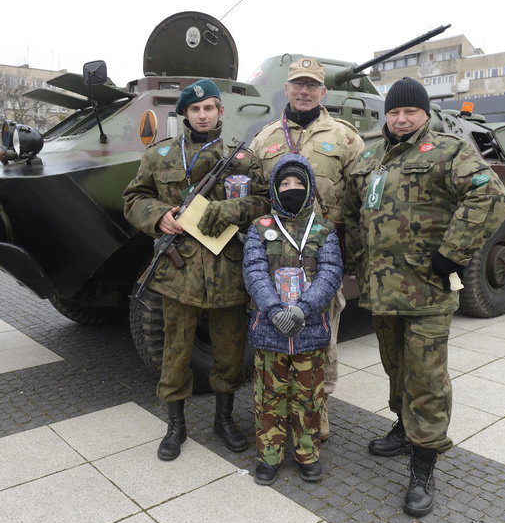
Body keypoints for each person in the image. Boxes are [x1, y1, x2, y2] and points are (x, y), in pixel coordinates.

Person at [343, 77, 505, 517]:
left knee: (427, 379)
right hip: (381, 291)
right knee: (396, 367)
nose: (400, 119)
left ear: (424, 114)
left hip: (428, 292)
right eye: (394, 112)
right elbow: (351, 212)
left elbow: (492, 196)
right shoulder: (369, 156)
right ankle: (403, 428)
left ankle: (423, 465)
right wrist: (358, 259)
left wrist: (452, 253)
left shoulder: (448, 150)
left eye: (409, 112)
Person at [123, 79, 268, 461]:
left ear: (220, 111)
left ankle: (224, 420)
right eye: (194, 109)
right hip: (179, 272)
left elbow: (262, 201)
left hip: (228, 270)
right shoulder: (161, 155)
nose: (202, 115)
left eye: (209, 108)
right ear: (184, 114)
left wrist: (225, 211)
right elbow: (134, 197)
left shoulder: (241, 158)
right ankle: (176, 425)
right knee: (175, 352)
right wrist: (159, 217)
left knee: (230, 353)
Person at [249, 57, 364, 441]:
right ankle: (275, 413)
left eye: (312, 85)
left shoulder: (346, 138)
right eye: (298, 84)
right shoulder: (265, 139)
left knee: (323, 336)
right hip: (273, 259)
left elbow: (361, 198)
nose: (304, 91)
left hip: (322, 257)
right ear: (286, 89)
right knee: (272, 334)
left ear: (323, 92)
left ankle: (317, 411)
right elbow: (251, 195)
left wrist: (355, 255)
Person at [243, 155, 343, 486]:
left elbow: (330, 273)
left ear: (310, 188)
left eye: (299, 183)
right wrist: (272, 309)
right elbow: (254, 271)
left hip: (309, 331)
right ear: (274, 189)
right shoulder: (260, 228)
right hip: (270, 332)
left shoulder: (323, 229)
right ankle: (269, 455)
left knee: (308, 398)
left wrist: (303, 308)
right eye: (285, 183)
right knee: (268, 398)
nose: (292, 188)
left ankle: (307, 454)